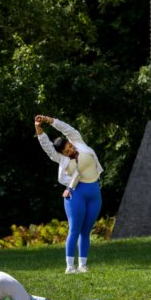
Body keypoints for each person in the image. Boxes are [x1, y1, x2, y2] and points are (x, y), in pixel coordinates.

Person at [35, 115, 103, 274]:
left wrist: (48, 120)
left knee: (86, 231)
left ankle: (83, 265)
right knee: (74, 230)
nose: (71, 150)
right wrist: (39, 129)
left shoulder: (78, 142)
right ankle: (70, 267)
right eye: (67, 151)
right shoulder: (61, 158)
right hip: (76, 194)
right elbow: (47, 147)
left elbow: (66, 128)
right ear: (62, 154)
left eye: (70, 147)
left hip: (94, 192)